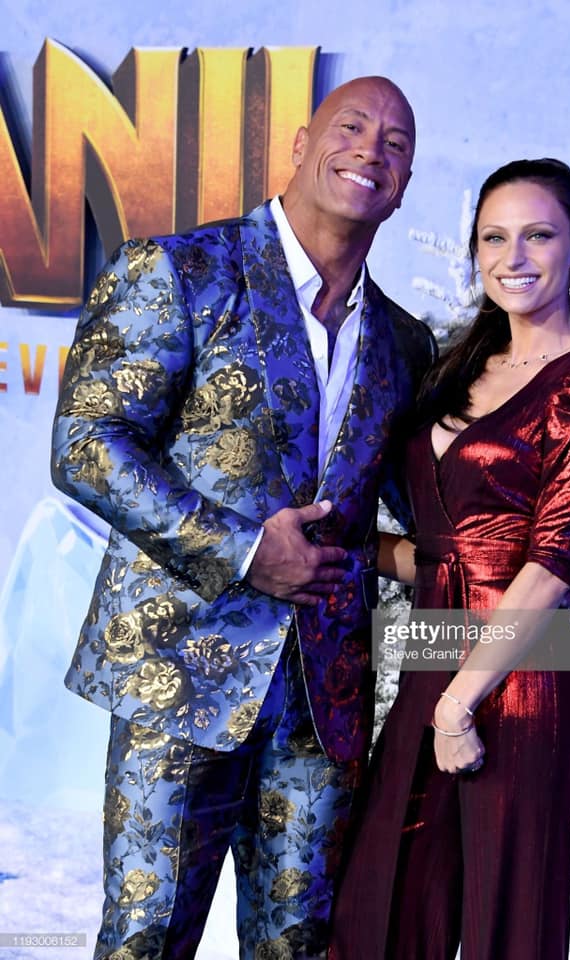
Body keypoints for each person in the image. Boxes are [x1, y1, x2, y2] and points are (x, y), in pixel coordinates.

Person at [50, 76, 436, 959]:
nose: (371, 150)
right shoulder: (179, 270)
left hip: (322, 702)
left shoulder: (403, 343)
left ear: (405, 185)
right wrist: (245, 550)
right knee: (146, 942)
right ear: (299, 145)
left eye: (396, 144)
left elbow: (416, 514)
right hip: (177, 677)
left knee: (298, 947)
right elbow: (86, 444)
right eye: (352, 126)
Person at [329, 158, 570, 960]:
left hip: (523, 679)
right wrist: (344, 546)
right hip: (436, 657)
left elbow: (550, 563)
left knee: (508, 927)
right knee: (382, 909)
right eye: (494, 238)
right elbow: (445, 549)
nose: (514, 257)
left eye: (539, 235)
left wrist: (458, 706)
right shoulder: (457, 368)